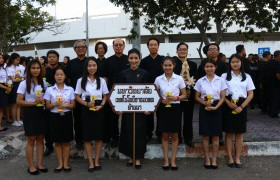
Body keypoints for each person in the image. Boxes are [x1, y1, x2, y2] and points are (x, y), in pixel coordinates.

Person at [75, 57, 108, 172]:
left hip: (99, 108)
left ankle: (97, 160)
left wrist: (102, 105)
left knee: (99, 137)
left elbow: (105, 96)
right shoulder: (80, 80)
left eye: (94, 65)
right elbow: (77, 97)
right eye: (89, 66)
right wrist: (86, 104)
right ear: (86, 67)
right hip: (86, 108)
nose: (92, 68)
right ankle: (90, 161)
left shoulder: (102, 80)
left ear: (97, 66)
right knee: (87, 138)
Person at [221, 54, 255, 168]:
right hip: (228, 104)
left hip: (241, 104)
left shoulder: (247, 77)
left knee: (239, 133)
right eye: (232, 62)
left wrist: (242, 106)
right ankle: (230, 158)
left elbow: (250, 94)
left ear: (241, 63)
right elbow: (220, 93)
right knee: (229, 133)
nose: (235, 64)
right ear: (229, 64)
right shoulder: (224, 76)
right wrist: (228, 102)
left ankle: (238, 158)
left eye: (237, 62)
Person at [118, 48, 149, 169]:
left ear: (140, 59)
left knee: (140, 133)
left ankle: (138, 157)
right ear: (128, 59)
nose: (133, 60)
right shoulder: (123, 73)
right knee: (128, 132)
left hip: (141, 110)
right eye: (131, 58)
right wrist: (119, 107)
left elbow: (148, 92)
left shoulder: (144, 73)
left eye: (136, 58)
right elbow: (119, 92)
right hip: (127, 110)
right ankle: (131, 156)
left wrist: (147, 107)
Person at [154, 57, 187, 170]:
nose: (167, 67)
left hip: (175, 108)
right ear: (162, 66)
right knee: (164, 135)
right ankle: (166, 160)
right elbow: (155, 94)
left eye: (170, 65)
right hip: (163, 108)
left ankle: (173, 160)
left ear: (174, 65)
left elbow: (185, 95)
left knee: (175, 135)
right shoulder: (158, 79)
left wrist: (175, 97)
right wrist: (161, 100)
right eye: (165, 65)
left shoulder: (179, 78)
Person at [16, 60, 48, 175]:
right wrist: (34, 103)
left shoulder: (43, 83)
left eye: (38, 68)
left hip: (41, 112)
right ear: (29, 69)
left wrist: (44, 101)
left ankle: (39, 163)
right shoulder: (24, 83)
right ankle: (31, 166)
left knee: (40, 138)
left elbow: (46, 97)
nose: (36, 70)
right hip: (30, 112)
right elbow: (18, 101)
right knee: (31, 140)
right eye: (33, 68)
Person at [194, 58, 226, 169]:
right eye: (207, 66)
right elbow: (196, 96)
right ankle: (207, 158)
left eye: (211, 66)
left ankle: (215, 159)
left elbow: (223, 97)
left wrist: (216, 106)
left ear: (215, 67)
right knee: (206, 136)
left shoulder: (220, 80)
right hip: (205, 108)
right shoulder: (200, 81)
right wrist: (203, 102)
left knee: (216, 136)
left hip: (217, 107)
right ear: (204, 68)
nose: (209, 68)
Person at [44, 67, 75, 173]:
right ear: (54, 76)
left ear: (65, 76)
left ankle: (66, 163)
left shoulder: (70, 89)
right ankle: (60, 163)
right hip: (54, 117)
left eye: (61, 74)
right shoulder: (49, 90)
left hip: (66, 116)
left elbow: (73, 105)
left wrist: (66, 105)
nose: (59, 76)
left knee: (66, 142)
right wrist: (54, 104)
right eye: (57, 74)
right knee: (57, 142)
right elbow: (47, 106)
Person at [101, 38, 129, 149]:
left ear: (123, 46)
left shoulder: (129, 59)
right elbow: (105, 78)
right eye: (116, 45)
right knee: (112, 118)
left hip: (127, 94)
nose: (118, 47)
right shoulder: (107, 61)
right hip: (112, 94)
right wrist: (106, 94)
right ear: (113, 47)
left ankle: (126, 137)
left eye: (120, 45)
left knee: (127, 118)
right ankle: (115, 138)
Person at [140, 37, 164, 141]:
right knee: (148, 113)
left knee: (161, 113)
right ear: (148, 47)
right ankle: (148, 133)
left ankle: (160, 133)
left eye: (155, 45)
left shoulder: (163, 60)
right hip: (148, 91)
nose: (153, 46)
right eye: (151, 45)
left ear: (158, 46)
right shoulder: (144, 61)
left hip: (162, 91)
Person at [173, 42, 197, 146]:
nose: (183, 51)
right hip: (176, 96)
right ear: (177, 51)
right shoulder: (173, 63)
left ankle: (188, 138)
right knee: (177, 118)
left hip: (188, 96)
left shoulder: (193, 64)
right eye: (180, 49)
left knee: (188, 118)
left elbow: (195, 79)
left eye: (184, 49)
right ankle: (177, 138)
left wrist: (190, 89)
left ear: (187, 51)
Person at [66, 40, 88, 150]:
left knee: (88, 119)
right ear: (74, 50)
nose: (81, 49)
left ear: (86, 48)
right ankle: (79, 140)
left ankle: (88, 138)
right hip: (76, 96)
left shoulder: (90, 62)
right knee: (77, 118)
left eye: (83, 46)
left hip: (89, 96)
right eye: (78, 47)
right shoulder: (70, 63)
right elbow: (67, 80)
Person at [44, 50, 63, 157]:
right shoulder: (44, 71)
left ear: (57, 58)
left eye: (53, 56)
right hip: (47, 100)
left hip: (60, 100)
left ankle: (61, 143)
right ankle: (49, 145)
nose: (51, 58)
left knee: (60, 123)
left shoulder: (61, 70)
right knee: (47, 124)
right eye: (49, 57)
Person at [6, 53, 24, 127]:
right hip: (13, 86)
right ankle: (14, 120)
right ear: (13, 59)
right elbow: (13, 79)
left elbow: (22, 78)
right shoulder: (9, 68)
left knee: (18, 104)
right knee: (14, 104)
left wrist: (19, 78)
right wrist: (19, 78)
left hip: (19, 85)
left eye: (19, 60)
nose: (18, 61)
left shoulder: (18, 67)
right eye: (16, 60)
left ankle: (18, 119)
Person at [267, 50, 280, 118]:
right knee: (276, 99)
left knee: (271, 98)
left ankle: (270, 112)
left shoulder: (270, 62)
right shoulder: (277, 63)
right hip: (276, 84)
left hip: (270, 83)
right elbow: (278, 74)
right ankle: (274, 113)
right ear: (278, 55)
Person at [0, 53, 11, 131]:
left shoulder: (3, 68)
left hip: (4, 87)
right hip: (1, 88)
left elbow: (6, 78)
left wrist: (8, 86)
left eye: (2, 57)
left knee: (2, 108)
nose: (2, 59)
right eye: (0, 58)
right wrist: (6, 88)